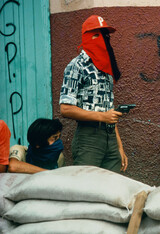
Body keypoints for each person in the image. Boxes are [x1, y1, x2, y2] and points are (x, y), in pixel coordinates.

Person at [59, 15, 127, 172]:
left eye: (105, 35)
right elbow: (65, 108)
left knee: (111, 189)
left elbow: (109, 110)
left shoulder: (106, 69)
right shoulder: (76, 66)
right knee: (86, 189)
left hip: (110, 137)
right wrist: (102, 117)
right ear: (87, 37)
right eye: (97, 34)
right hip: (88, 137)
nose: (103, 39)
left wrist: (119, 146)